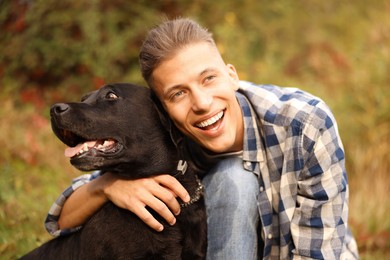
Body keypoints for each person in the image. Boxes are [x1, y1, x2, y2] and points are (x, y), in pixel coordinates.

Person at [45, 18, 359, 259]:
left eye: (208, 79)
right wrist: (107, 187)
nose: (202, 103)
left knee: (233, 177)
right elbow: (62, 219)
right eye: (178, 93)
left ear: (232, 75)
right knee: (232, 176)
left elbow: (319, 248)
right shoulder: (174, 136)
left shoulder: (305, 124)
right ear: (163, 111)